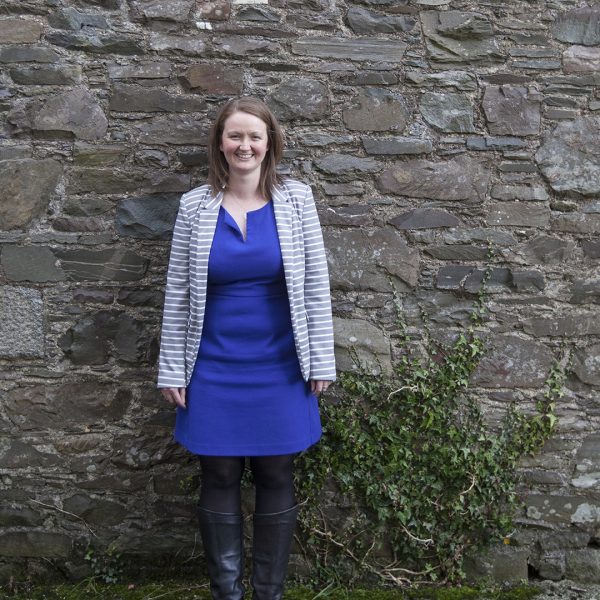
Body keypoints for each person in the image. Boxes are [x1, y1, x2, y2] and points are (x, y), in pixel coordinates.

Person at [157, 96, 336, 600]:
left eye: (254, 136)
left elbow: (316, 285)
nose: (245, 145)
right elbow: (177, 292)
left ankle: (268, 593)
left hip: (281, 361)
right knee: (218, 469)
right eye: (235, 135)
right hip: (212, 361)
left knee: (277, 469)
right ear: (220, 143)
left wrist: (321, 357)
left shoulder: (297, 200)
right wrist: (172, 367)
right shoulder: (194, 206)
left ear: (269, 143)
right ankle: (227, 593)